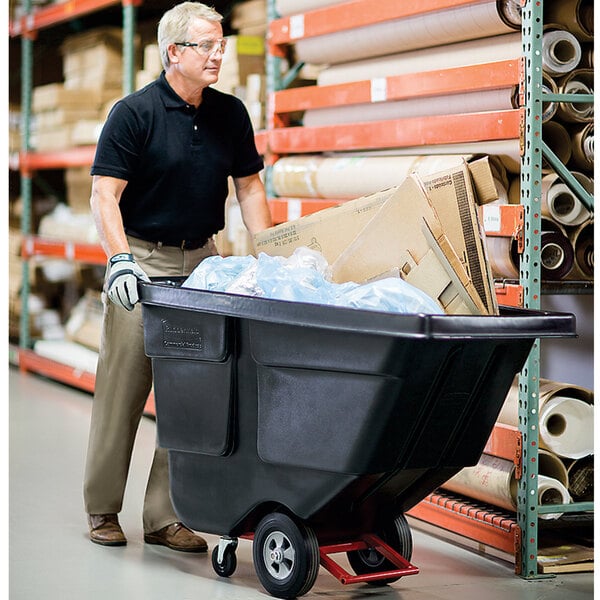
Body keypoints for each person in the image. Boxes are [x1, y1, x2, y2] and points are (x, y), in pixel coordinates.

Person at [83, 1, 272, 551]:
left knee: (193, 391)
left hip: (204, 263)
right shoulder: (133, 114)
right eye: (207, 46)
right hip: (141, 263)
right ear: (174, 52)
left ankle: (164, 516)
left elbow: (251, 188)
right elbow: (104, 195)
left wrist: (271, 258)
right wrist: (119, 259)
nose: (219, 55)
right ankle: (101, 508)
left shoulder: (230, 113)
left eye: (221, 45)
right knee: (123, 388)